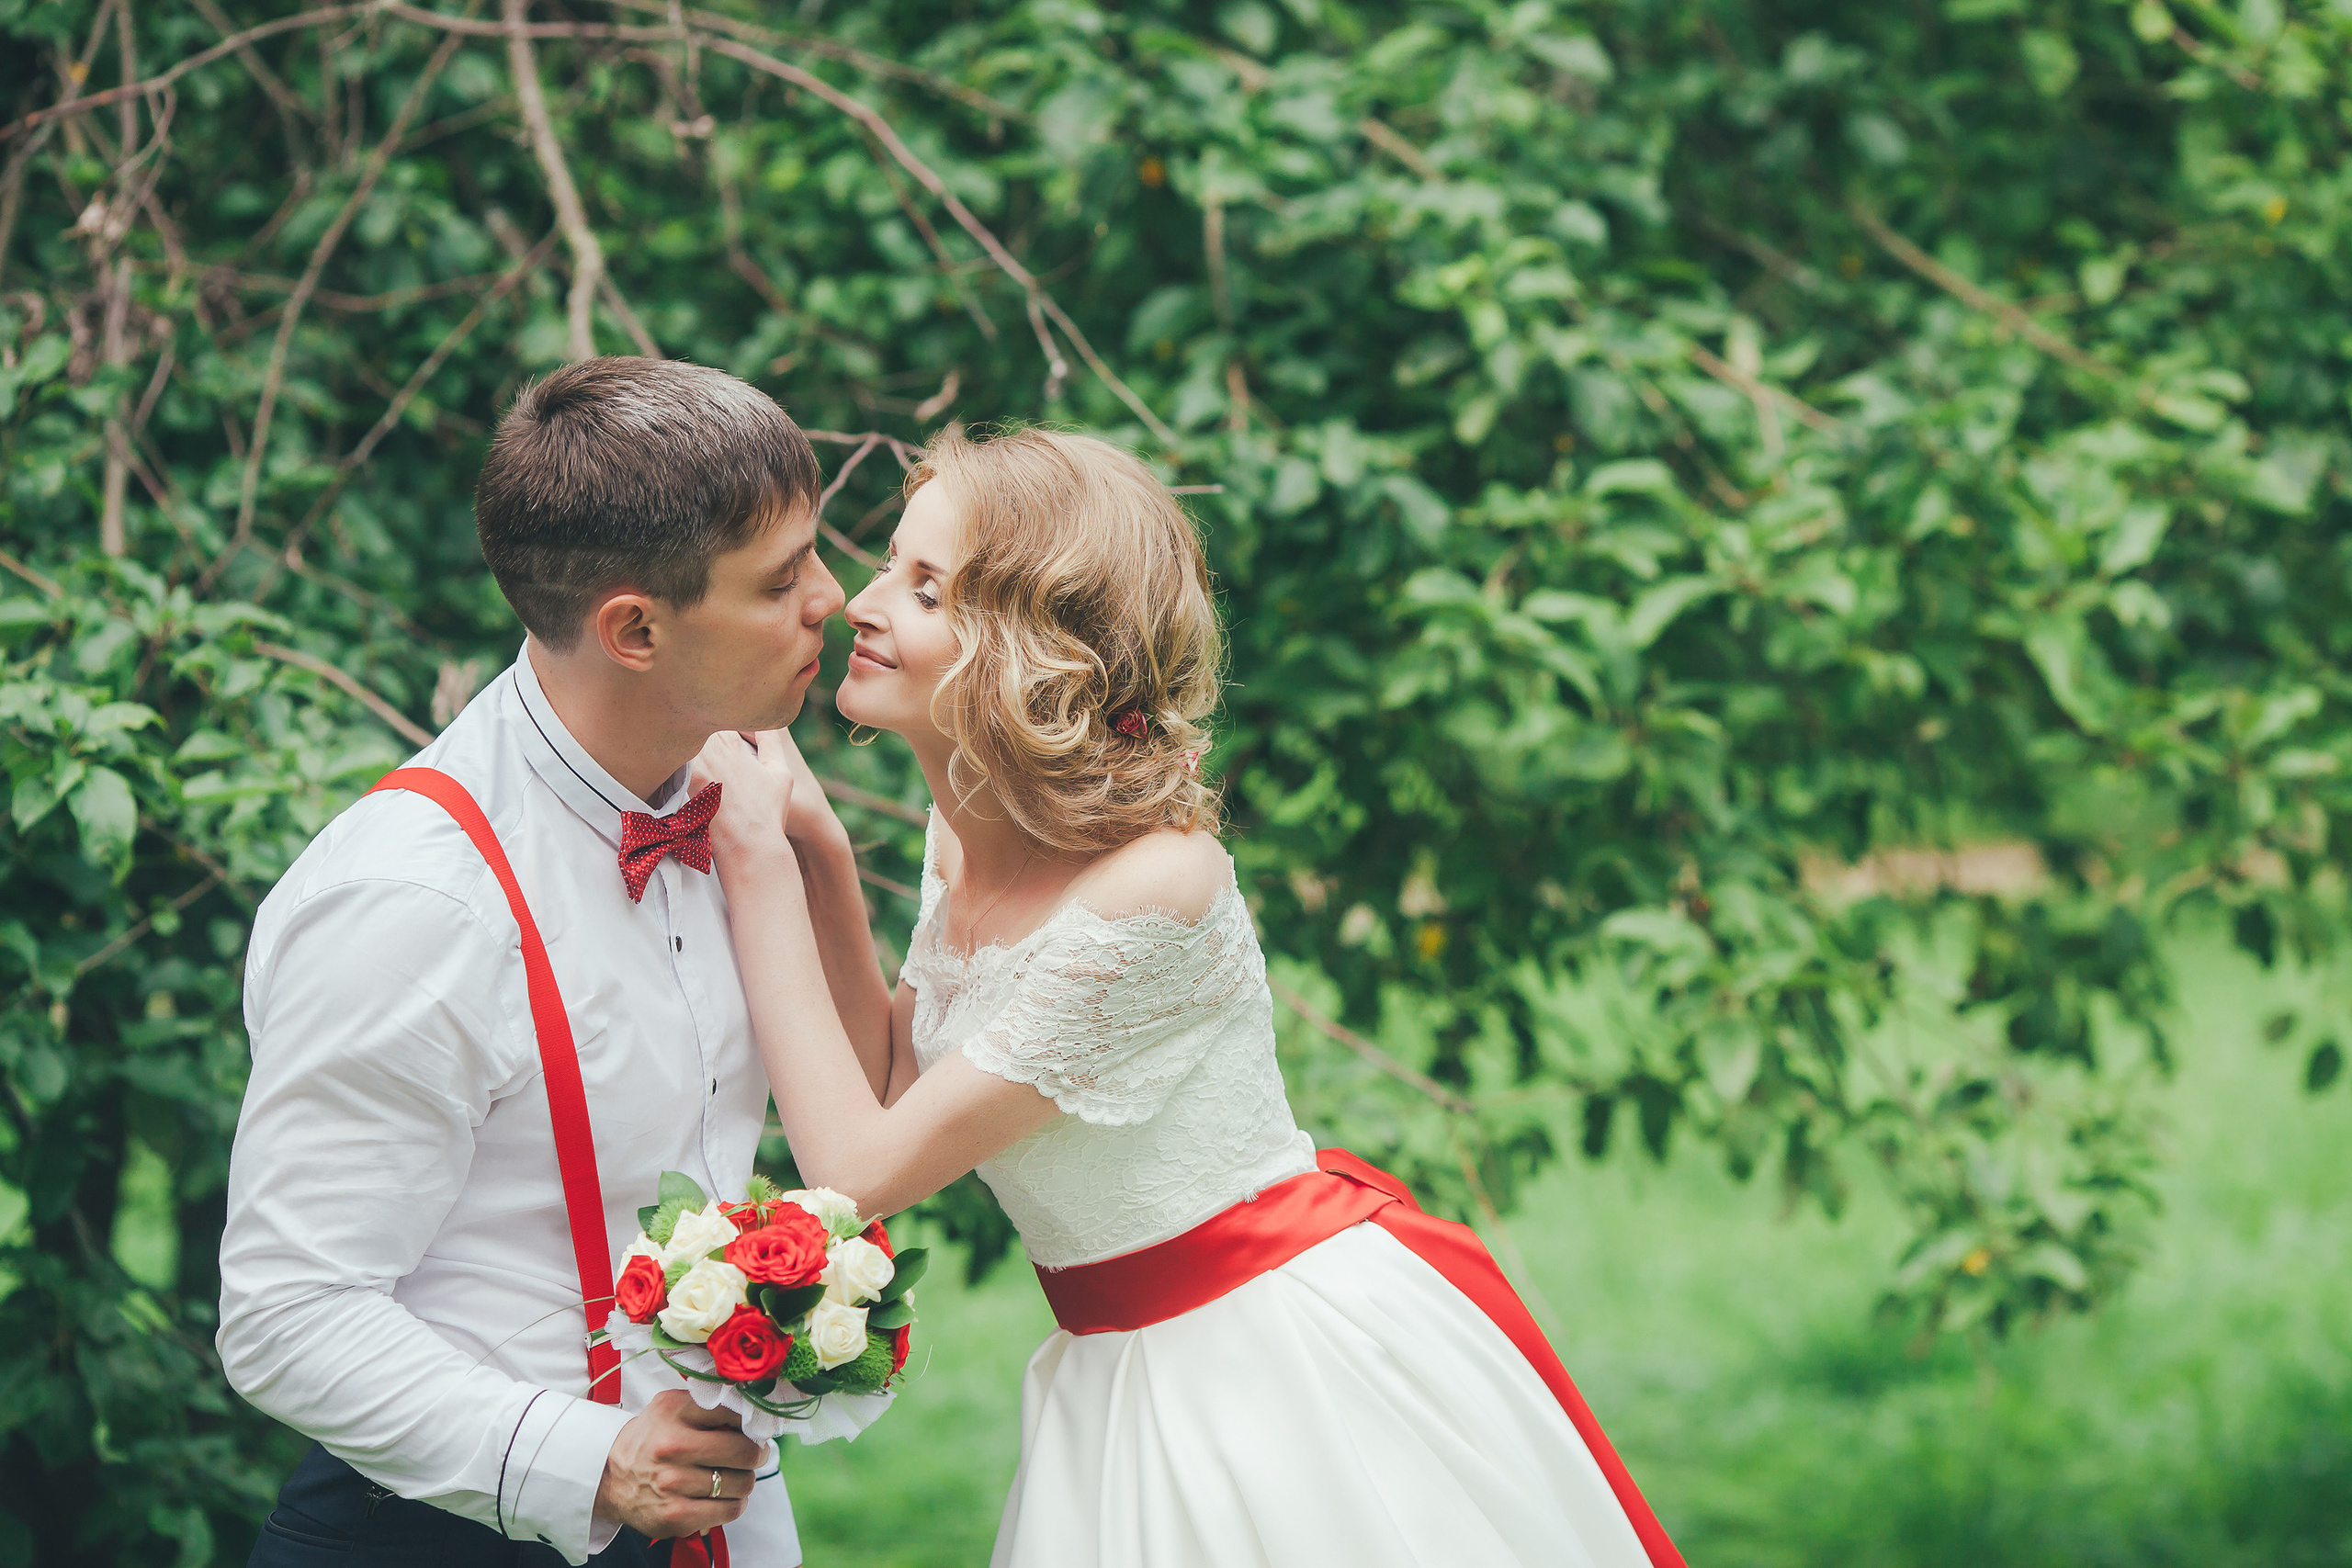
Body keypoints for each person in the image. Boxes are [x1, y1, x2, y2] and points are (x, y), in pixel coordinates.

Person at [693, 426, 1687, 1567]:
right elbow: (887, 1079)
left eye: (926, 588)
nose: (858, 603)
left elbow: (854, 1175)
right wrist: (817, 849)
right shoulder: (959, 840)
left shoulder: (1152, 893)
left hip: (1265, 1363)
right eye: (888, 567)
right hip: (1113, 1361)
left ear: (1032, 648)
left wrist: (755, 862)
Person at [218, 357, 868, 1565]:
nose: (834, 596)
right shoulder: (414, 897)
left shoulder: (734, 799)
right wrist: (590, 1459)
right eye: (782, 580)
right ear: (633, 627)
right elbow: (284, 1309)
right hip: (433, 1530)